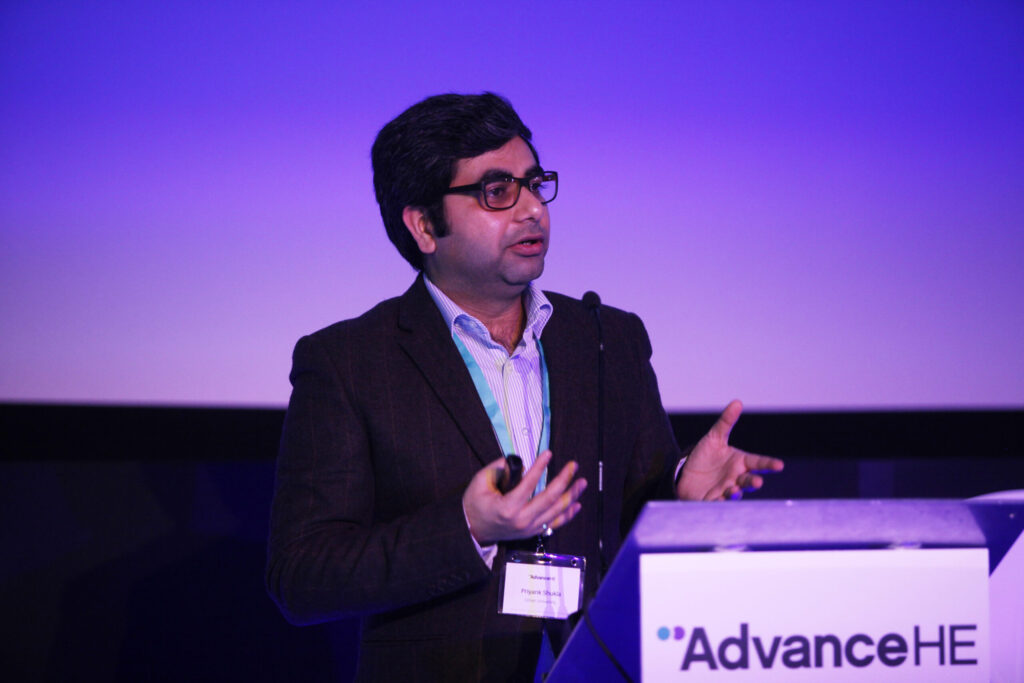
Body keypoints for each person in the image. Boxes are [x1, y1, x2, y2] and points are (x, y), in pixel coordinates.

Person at [266, 92, 783, 682]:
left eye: (535, 184)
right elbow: (302, 577)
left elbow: (633, 534)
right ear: (424, 226)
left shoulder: (606, 338)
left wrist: (680, 503)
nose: (532, 209)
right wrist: (467, 529)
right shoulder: (349, 362)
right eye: (497, 191)